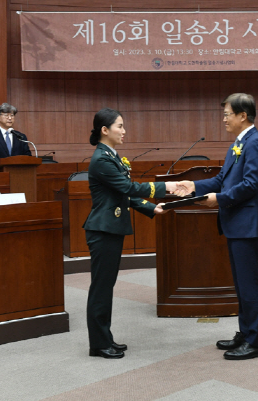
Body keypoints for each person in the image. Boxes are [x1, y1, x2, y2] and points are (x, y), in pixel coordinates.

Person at [175, 93, 258, 360]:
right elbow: (221, 179)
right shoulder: (238, 144)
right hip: (236, 225)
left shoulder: (257, 144)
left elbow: (251, 185)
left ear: (243, 115)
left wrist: (218, 200)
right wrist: (193, 186)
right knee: (241, 285)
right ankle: (246, 333)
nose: (224, 119)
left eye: (228, 114)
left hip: (249, 226)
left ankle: (256, 342)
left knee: (250, 285)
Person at [83, 108, 177, 359]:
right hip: (102, 230)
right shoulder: (101, 159)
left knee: (106, 286)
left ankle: (105, 339)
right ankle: (99, 344)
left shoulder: (110, 156)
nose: (124, 131)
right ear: (105, 130)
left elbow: (122, 195)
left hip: (110, 230)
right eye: (120, 126)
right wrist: (165, 186)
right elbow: (128, 187)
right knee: (101, 288)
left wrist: (149, 207)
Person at [0, 103, 32, 170]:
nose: (10, 118)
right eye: (6, 115)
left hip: (19, 173)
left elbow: (27, 155)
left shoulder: (21, 136)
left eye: (12, 115)